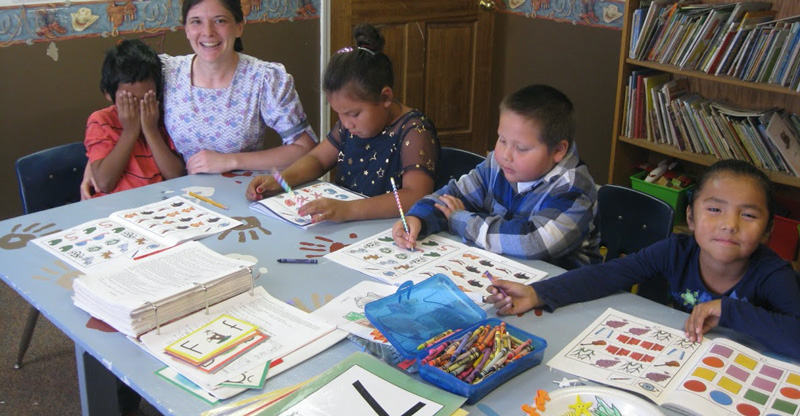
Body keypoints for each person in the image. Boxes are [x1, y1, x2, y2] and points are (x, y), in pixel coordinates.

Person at [487, 160, 800, 360]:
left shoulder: (774, 274)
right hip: (675, 357)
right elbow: (609, 274)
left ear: (768, 230)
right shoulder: (675, 251)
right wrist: (538, 293)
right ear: (690, 216)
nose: (729, 224)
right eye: (715, 209)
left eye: (747, 215)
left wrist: (729, 310)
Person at [81, 0, 316, 198]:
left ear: (239, 26)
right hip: (175, 200)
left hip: (242, 195)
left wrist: (231, 161)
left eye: (220, 20)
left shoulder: (265, 79)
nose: (208, 32)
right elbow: (123, 110)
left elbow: (305, 149)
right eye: (196, 21)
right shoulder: (165, 71)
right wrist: (93, 166)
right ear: (185, 28)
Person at [245, 23, 440, 223]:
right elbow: (318, 159)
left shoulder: (415, 132)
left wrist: (349, 210)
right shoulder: (351, 126)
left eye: (353, 114)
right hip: (348, 228)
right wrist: (280, 180)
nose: (346, 124)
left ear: (386, 97)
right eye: (339, 114)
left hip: (389, 231)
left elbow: (416, 195)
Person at [391, 84, 601, 270]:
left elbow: (532, 241)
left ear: (558, 150)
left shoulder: (574, 189)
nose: (506, 155)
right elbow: (453, 195)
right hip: (503, 269)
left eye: (521, 148)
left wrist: (460, 220)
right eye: (501, 140)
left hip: (562, 291)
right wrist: (418, 217)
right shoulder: (498, 165)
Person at [84, 39, 185, 198]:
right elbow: (104, 183)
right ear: (109, 95)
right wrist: (130, 131)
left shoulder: (161, 117)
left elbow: (176, 176)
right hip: (116, 209)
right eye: (130, 100)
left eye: (147, 99)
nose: (139, 107)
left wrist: (151, 131)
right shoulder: (101, 121)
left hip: (161, 203)